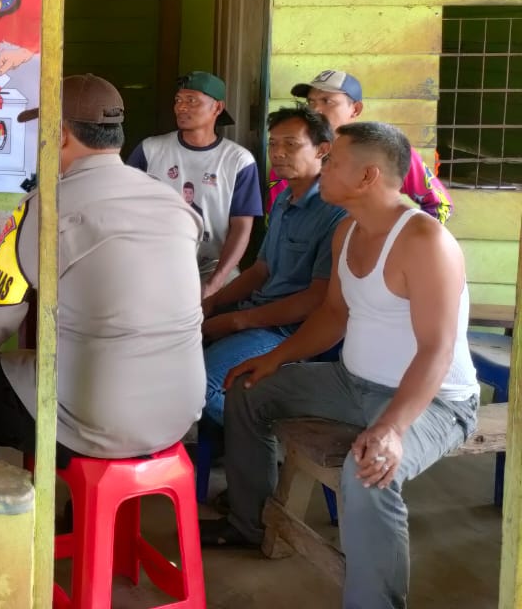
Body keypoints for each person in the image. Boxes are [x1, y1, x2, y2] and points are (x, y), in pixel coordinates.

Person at [202, 122, 478, 609]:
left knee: (369, 470)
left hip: (430, 402)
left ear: (368, 175)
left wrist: (392, 427)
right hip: (350, 383)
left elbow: (436, 349)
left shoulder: (424, 242)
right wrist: (273, 359)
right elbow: (334, 314)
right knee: (246, 388)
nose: (323, 166)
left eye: (333, 162)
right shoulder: (348, 230)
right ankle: (250, 523)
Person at [0, 75, 205, 461]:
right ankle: (89, 518)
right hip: (180, 412)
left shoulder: (46, 208)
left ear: (59, 135)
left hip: (97, 419)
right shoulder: (172, 202)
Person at [198, 107, 346, 426]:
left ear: (322, 149)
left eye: (290, 145)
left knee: (201, 386)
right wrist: (213, 301)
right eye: (273, 143)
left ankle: (272, 438)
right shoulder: (283, 199)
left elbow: (316, 298)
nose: (277, 153)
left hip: (288, 331)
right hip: (256, 313)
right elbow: (260, 270)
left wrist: (238, 321)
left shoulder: (336, 213)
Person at [128, 71, 262, 298]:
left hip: (215, 265)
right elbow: (126, 209)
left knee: (222, 313)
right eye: (178, 101)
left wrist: (214, 284)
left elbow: (242, 227)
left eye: (192, 101)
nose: (181, 107)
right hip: (156, 262)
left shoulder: (239, 161)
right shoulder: (150, 150)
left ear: (217, 108)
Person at [264, 70, 453, 223]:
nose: (315, 110)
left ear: (355, 109)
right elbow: (275, 220)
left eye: (327, 101)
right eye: (311, 102)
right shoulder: (289, 156)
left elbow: (440, 204)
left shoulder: (385, 150)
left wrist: (404, 242)